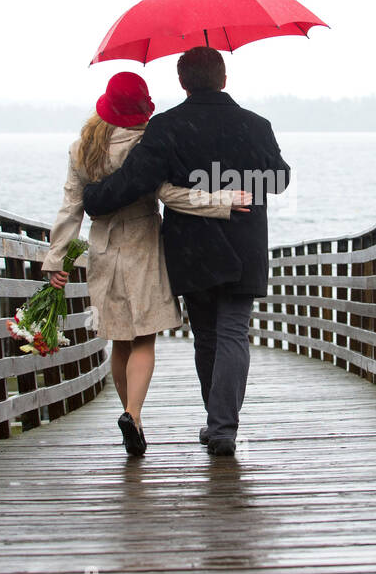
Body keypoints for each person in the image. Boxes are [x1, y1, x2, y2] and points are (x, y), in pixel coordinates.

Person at [82, 46, 290, 457]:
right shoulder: (256, 125)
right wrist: (235, 190)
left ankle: (217, 423)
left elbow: (136, 180)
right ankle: (222, 427)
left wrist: (92, 198)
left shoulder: (168, 126)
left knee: (207, 337)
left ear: (181, 82)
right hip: (244, 243)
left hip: (193, 249)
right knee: (233, 333)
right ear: (224, 78)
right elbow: (280, 179)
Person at [42, 71, 250, 457]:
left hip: (103, 248)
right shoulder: (146, 143)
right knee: (143, 339)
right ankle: (132, 413)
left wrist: (57, 259)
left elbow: (71, 206)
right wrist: (221, 201)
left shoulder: (81, 148)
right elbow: (171, 195)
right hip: (143, 245)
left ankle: (130, 416)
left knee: (119, 340)